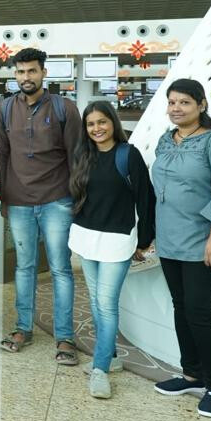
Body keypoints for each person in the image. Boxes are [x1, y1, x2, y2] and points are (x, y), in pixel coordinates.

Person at [150, 79, 211, 419]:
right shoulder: (166, 139)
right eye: (172, 102)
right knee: (180, 307)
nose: (176, 108)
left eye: (184, 102)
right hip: (169, 240)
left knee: (200, 312)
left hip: (203, 241)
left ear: (201, 105)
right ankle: (191, 375)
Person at [0, 47, 82, 365]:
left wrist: (77, 200)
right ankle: (23, 328)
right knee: (24, 267)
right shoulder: (4, 109)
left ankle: (65, 336)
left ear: (44, 72)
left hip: (57, 199)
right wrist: (4, 198)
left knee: (60, 268)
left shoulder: (64, 108)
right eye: (20, 72)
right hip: (19, 202)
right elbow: (2, 156)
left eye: (31, 71)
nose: (26, 77)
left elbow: (76, 156)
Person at [68, 101, 155, 399]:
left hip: (117, 241)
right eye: (91, 124)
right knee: (95, 301)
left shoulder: (128, 154)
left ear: (113, 123)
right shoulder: (83, 155)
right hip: (85, 237)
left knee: (106, 305)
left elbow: (146, 199)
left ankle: (100, 368)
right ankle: (110, 356)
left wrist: (144, 240)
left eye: (102, 122)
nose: (97, 129)